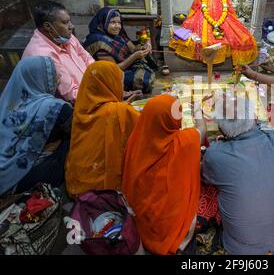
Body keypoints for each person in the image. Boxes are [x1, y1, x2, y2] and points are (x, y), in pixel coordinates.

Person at [201, 95, 274, 254]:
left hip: (242, 251)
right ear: (254, 118)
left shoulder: (215, 154)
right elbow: (265, 126)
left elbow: (204, 177)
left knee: (206, 189)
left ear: (221, 129)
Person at [122, 94, 207, 255]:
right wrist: (197, 108)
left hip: (143, 222)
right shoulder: (184, 142)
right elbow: (202, 129)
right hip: (171, 224)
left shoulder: (135, 140)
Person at [65, 61, 140, 197]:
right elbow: (148, 131)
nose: (122, 88)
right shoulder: (119, 111)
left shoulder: (81, 110)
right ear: (109, 84)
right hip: (106, 192)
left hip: (77, 187)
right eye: (120, 83)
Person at [0, 56, 72, 195]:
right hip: (30, 178)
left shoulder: (8, 103)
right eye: (53, 72)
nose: (59, 76)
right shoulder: (55, 107)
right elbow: (81, 132)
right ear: (39, 78)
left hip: (5, 175)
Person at [169, 0, 258, 66]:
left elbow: (226, 4)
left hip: (220, 16)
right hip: (204, 16)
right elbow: (197, 4)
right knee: (199, 38)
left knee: (237, 36)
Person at [22, 1, 94, 103]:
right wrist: (100, 92)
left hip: (91, 88)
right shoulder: (44, 56)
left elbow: (86, 57)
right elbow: (71, 95)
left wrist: (99, 77)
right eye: (65, 22)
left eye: (69, 21)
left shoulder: (64, 36)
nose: (71, 26)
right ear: (48, 27)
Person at [83, 7, 157, 94]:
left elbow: (133, 49)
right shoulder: (98, 42)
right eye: (113, 22)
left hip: (126, 67)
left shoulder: (118, 34)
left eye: (119, 23)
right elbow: (114, 69)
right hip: (111, 75)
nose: (117, 26)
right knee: (142, 80)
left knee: (145, 61)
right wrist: (135, 56)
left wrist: (143, 47)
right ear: (103, 23)